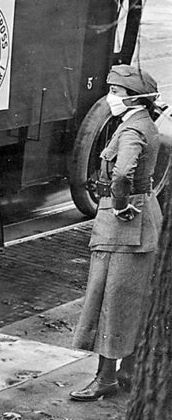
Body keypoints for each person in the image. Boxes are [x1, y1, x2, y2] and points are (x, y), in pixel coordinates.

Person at [70, 64, 164, 401]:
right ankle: (128, 369)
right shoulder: (142, 124)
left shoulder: (131, 131)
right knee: (131, 300)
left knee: (111, 300)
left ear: (134, 98)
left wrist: (121, 203)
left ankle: (106, 378)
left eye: (116, 92)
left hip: (124, 225)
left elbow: (123, 172)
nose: (111, 98)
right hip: (140, 224)